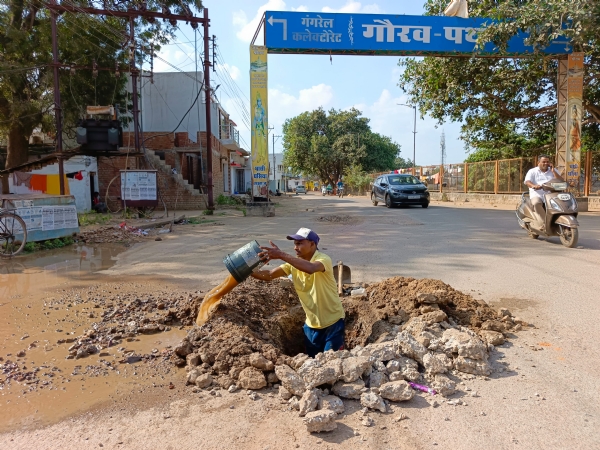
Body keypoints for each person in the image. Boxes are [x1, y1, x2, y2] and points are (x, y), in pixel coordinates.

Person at [251, 228, 345, 357]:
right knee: (311, 364)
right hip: (311, 326)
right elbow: (269, 275)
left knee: (332, 362)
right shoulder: (293, 264)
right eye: (295, 244)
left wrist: (281, 255)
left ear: (312, 244)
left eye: (300, 243)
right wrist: (245, 269)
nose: (295, 247)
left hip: (333, 323)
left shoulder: (323, 259)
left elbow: (311, 268)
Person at [524, 155, 564, 231]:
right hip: (538, 194)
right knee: (536, 203)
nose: (546, 163)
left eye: (547, 162)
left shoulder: (553, 170)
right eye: (543, 162)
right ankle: (545, 224)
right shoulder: (532, 171)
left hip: (552, 195)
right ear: (538, 162)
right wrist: (534, 186)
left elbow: (561, 180)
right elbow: (527, 182)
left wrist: (553, 171)